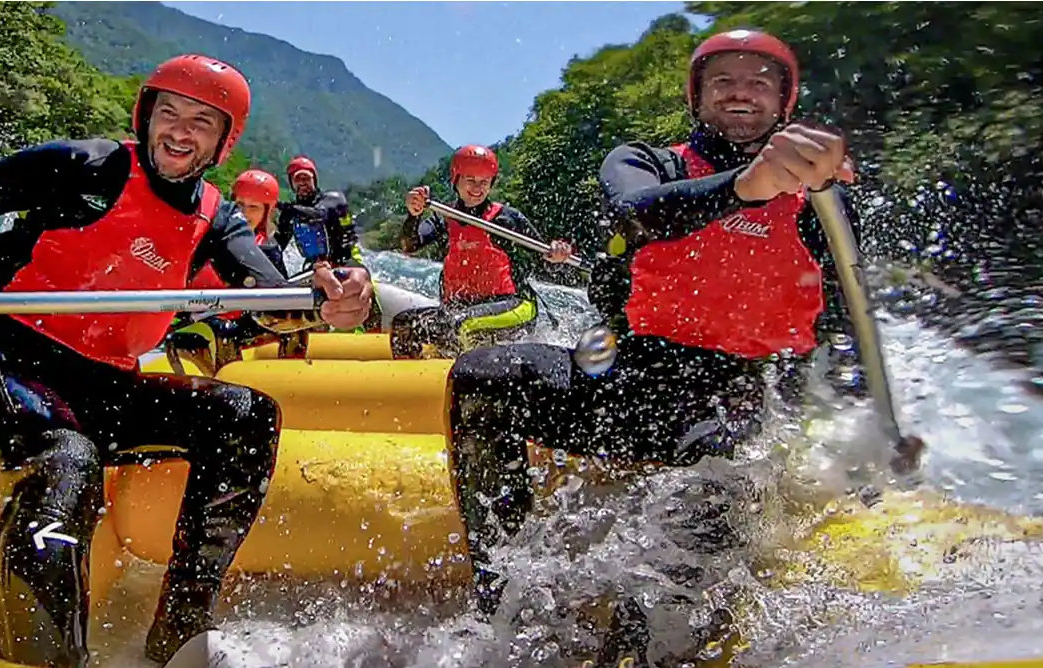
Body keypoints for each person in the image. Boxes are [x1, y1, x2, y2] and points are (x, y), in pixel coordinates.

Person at [0, 54, 375, 667]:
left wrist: (329, 298)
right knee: (66, 455)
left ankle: (181, 629)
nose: (180, 131)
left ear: (223, 143)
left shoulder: (216, 219)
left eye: (201, 121)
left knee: (246, 414)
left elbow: (271, 299)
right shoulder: (85, 166)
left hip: (98, 382)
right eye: (169, 113)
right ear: (145, 116)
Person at [443, 28, 864, 649]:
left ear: (784, 102)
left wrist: (870, 437)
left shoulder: (821, 201)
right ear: (697, 97)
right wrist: (745, 186)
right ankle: (498, 595)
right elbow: (634, 211)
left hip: (743, 393)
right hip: (637, 377)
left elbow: (849, 323)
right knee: (482, 376)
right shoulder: (646, 162)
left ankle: (654, 636)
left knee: (726, 464)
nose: (740, 93)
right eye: (723, 82)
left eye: (758, 83)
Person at [392, 144, 577, 359]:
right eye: (470, 180)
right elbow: (409, 246)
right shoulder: (445, 218)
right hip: (460, 308)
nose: (477, 188)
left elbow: (544, 261)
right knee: (404, 325)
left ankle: (460, 372)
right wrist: (413, 215)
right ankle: (416, 377)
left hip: (513, 306)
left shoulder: (506, 219)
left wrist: (557, 255)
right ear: (456, 180)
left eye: (484, 182)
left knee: (459, 325)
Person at [167, 169, 296, 375]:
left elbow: (277, 308)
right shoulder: (209, 241)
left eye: (253, 207)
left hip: (239, 326)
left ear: (266, 213)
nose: (244, 213)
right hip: (196, 320)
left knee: (223, 331)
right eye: (239, 204)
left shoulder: (268, 251)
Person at [273, 156, 384, 332]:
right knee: (305, 303)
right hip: (316, 266)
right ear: (292, 184)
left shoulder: (333, 199)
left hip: (344, 259)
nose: (302, 183)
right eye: (297, 179)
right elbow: (277, 246)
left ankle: (376, 330)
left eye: (306, 178)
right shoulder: (290, 214)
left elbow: (319, 214)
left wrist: (280, 205)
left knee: (361, 286)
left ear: (314, 180)